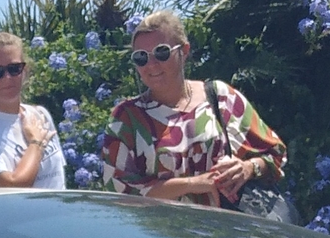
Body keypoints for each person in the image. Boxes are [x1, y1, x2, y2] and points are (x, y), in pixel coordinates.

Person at [99, 11, 285, 207]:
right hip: (156, 235)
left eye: (161, 53)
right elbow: (120, 194)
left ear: (184, 51)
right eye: (141, 57)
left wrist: (248, 168)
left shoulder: (220, 98)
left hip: (224, 233)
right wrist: (192, 185)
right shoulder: (126, 119)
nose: (151, 64)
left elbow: (275, 153)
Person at [0, 32, 64, 189]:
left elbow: (58, 180)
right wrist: (35, 144)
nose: (7, 78)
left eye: (14, 69)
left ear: (25, 70)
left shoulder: (40, 115)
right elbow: (14, 184)